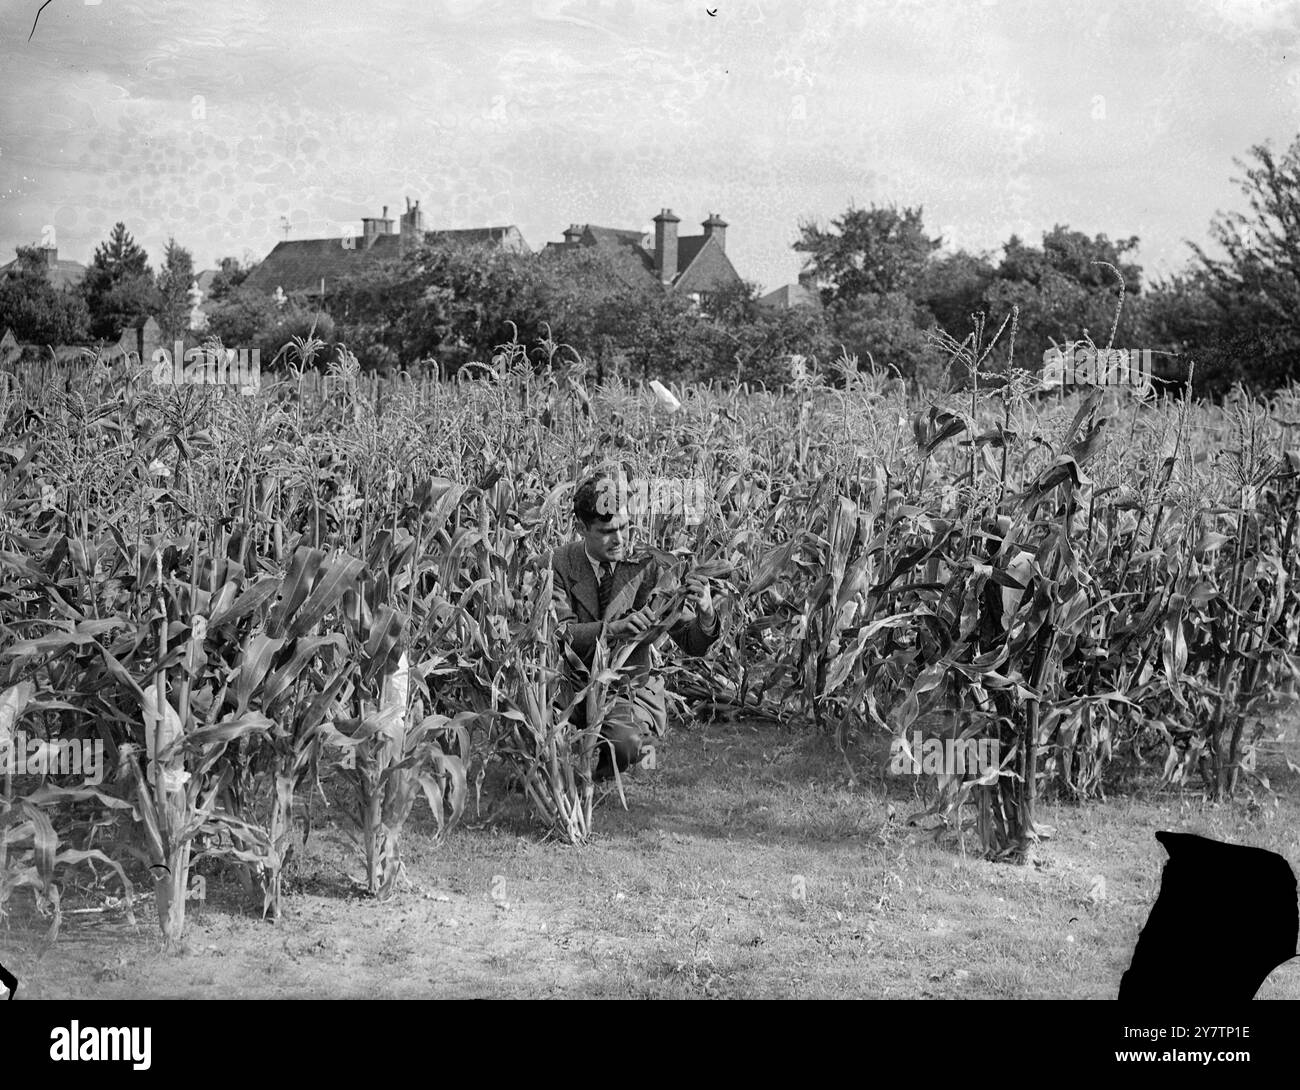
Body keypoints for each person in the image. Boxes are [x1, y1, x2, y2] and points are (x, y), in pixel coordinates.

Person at [549, 474, 722, 779]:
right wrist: (614, 629)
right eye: (607, 531)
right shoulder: (559, 564)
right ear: (581, 529)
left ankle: (598, 768)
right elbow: (561, 633)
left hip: (624, 689)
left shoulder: (650, 565)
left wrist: (706, 612)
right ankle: (569, 760)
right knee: (532, 732)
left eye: (624, 527)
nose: (619, 539)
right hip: (570, 687)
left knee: (626, 745)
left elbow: (690, 641)